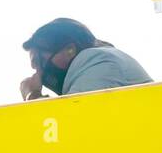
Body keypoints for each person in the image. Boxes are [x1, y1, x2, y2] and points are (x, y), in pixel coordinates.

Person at [20, 19, 152, 101]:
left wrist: (32, 95)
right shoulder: (100, 61)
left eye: (39, 61)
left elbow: (71, 124)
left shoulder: (95, 61)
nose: (39, 73)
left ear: (70, 50)